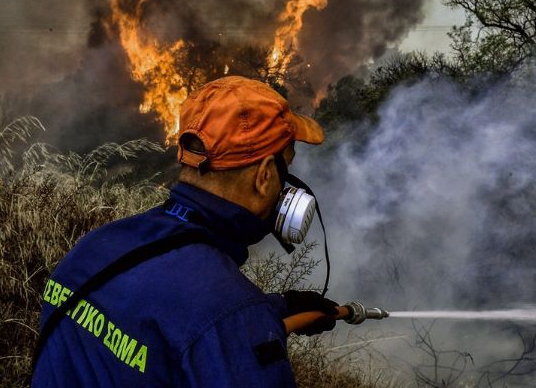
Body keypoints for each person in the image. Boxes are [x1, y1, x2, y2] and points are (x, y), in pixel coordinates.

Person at [32, 76, 338, 387]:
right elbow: (206, 323)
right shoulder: (231, 315)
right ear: (263, 176)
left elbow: (153, 320)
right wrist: (251, 324)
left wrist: (274, 311)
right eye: (286, 167)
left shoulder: (93, 248)